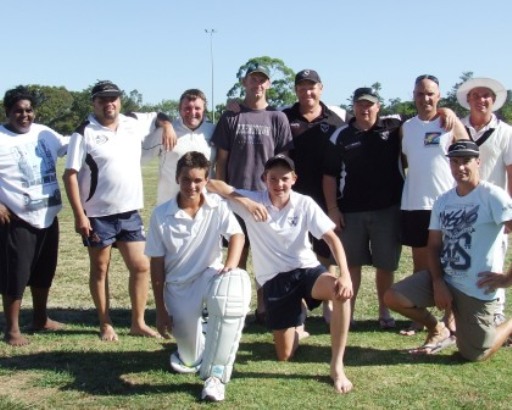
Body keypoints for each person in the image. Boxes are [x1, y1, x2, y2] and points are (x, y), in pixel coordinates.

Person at [208, 154, 354, 394]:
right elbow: (211, 184)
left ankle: (337, 366)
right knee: (285, 355)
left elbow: (332, 238)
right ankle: (298, 322)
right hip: (275, 281)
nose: (279, 184)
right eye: (273, 178)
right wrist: (245, 202)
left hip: (307, 270)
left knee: (340, 293)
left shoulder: (304, 203)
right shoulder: (253, 200)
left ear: (294, 179)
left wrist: (345, 275)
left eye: (285, 178)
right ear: (264, 179)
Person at [63, 80, 176, 341]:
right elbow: (70, 175)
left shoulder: (132, 121)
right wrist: (80, 215)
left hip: (129, 213)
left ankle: (138, 323)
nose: (109, 104)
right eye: (103, 100)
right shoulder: (83, 132)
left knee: (141, 266)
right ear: (94, 103)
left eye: (113, 99)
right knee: (100, 269)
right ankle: (105, 323)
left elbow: (159, 115)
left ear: (120, 101)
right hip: (97, 215)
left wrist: (167, 125)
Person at [385, 140, 512, 359]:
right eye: (454, 162)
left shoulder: (492, 196)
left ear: (478, 162)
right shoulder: (444, 200)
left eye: (466, 161)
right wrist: (437, 282)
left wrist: (508, 278)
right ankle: (438, 329)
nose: (460, 167)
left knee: (475, 353)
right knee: (393, 297)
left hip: (476, 287)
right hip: (448, 278)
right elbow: (434, 245)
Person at [145, 151, 250, 402]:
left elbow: (237, 236)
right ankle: (201, 332)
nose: (191, 186)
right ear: (177, 178)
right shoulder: (161, 215)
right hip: (178, 287)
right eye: (185, 180)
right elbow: (157, 266)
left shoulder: (217, 206)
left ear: (206, 180)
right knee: (190, 358)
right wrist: (160, 309)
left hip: (209, 275)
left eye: (198, 180)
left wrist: (231, 266)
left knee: (231, 289)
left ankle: (216, 377)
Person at [212, 63, 293, 323]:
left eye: (262, 80)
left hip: (265, 197)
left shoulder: (277, 118)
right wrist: (224, 194)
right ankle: (234, 305)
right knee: (238, 252)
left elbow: (284, 161)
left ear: (268, 85)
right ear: (244, 83)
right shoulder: (231, 116)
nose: (257, 84)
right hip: (236, 195)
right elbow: (221, 160)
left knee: (265, 254)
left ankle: (263, 307)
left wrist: (279, 194)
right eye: (253, 80)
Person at [323, 87, 403, 329]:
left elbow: (424, 117)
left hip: (387, 209)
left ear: (378, 107)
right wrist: (333, 209)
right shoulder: (341, 135)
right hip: (351, 212)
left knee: (385, 265)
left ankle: (384, 311)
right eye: (360, 104)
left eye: (370, 104)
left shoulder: (394, 129)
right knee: (351, 264)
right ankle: (350, 312)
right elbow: (329, 176)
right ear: (354, 107)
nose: (365, 109)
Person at [0, 86, 68, 346]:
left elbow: (70, 146)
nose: (24, 115)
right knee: (16, 274)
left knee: (44, 271)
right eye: (18, 111)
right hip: (17, 219)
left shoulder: (44, 133)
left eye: (28, 110)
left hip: (48, 216)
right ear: (8, 112)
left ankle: (41, 318)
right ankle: (12, 329)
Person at [399, 74, 467, 335]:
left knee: (450, 263)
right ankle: (422, 318)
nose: (425, 98)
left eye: (430, 93)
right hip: (415, 204)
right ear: (413, 96)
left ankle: (452, 317)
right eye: (420, 93)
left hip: (447, 205)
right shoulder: (406, 127)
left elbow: (468, 157)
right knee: (420, 266)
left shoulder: (449, 122)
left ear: (439, 96)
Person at [283, 69, 346, 323]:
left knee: (324, 249)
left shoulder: (335, 120)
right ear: (296, 90)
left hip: (324, 195)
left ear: (321, 88)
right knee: (293, 249)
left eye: (312, 87)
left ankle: (329, 303)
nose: (307, 92)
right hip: (290, 195)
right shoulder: (284, 116)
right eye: (301, 87)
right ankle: (300, 306)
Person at [456, 77, 512, 324]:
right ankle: (459, 316)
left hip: (493, 211)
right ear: (468, 100)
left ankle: (496, 315)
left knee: (493, 263)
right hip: (461, 209)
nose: (481, 100)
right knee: (459, 262)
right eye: (476, 95)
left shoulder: (507, 132)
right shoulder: (456, 128)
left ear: (494, 101)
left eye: (486, 95)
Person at [142, 89, 216, 205]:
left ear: (204, 110)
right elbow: (138, 156)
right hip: (169, 207)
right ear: (180, 110)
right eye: (187, 108)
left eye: (197, 108)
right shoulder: (165, 131)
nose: (192, 113)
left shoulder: (214, 131)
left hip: (205, 209)